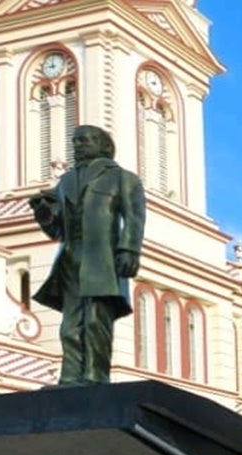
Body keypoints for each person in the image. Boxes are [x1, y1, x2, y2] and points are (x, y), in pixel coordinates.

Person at [28, 124, 146, 384]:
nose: (78, 145)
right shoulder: (66, 182)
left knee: (96, 318)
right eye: (76, 141)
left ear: (104, 145)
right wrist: (43, 212)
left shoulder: (122, 178)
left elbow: (135, 217)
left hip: (103, 257)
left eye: (85, 140)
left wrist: (129, 249)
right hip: (71, 256)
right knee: (70, 322)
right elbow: (57, 230)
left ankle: (95, 374)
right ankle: (70, 375)